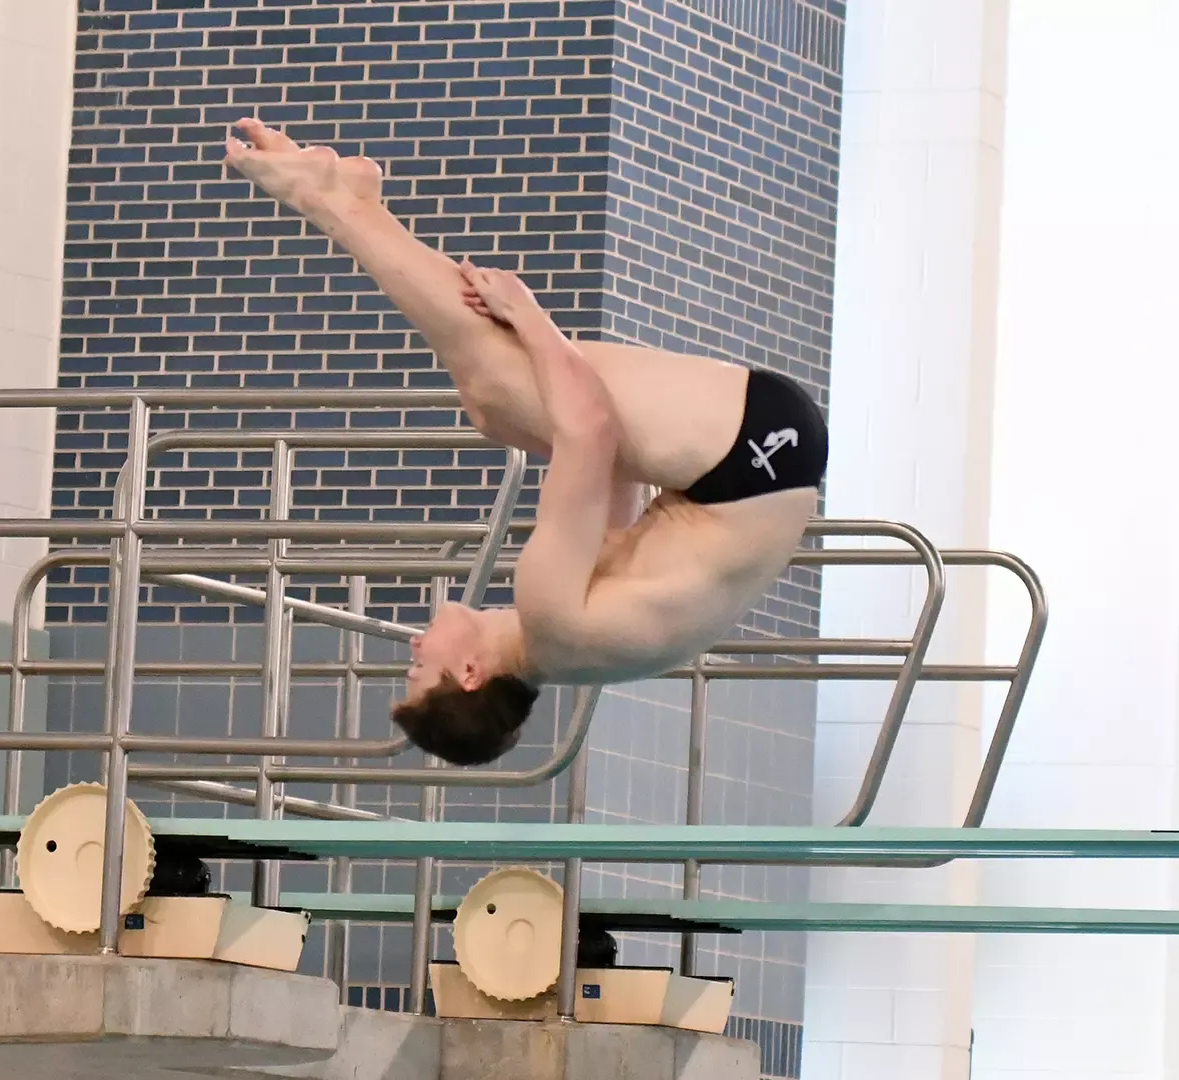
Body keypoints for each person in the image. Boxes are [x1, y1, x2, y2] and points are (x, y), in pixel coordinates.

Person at [224, 118, 828, 766]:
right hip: (749, 451)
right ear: (473, 672)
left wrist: (548, 378)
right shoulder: (547, 614)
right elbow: (593, 432)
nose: (414, 652)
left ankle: (350, 204)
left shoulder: (575, 652)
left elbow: (611, 479)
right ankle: (330, 201)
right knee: (504, 371)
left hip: (766, 460)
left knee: (496, 406)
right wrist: (533, 320)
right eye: (420, 673)